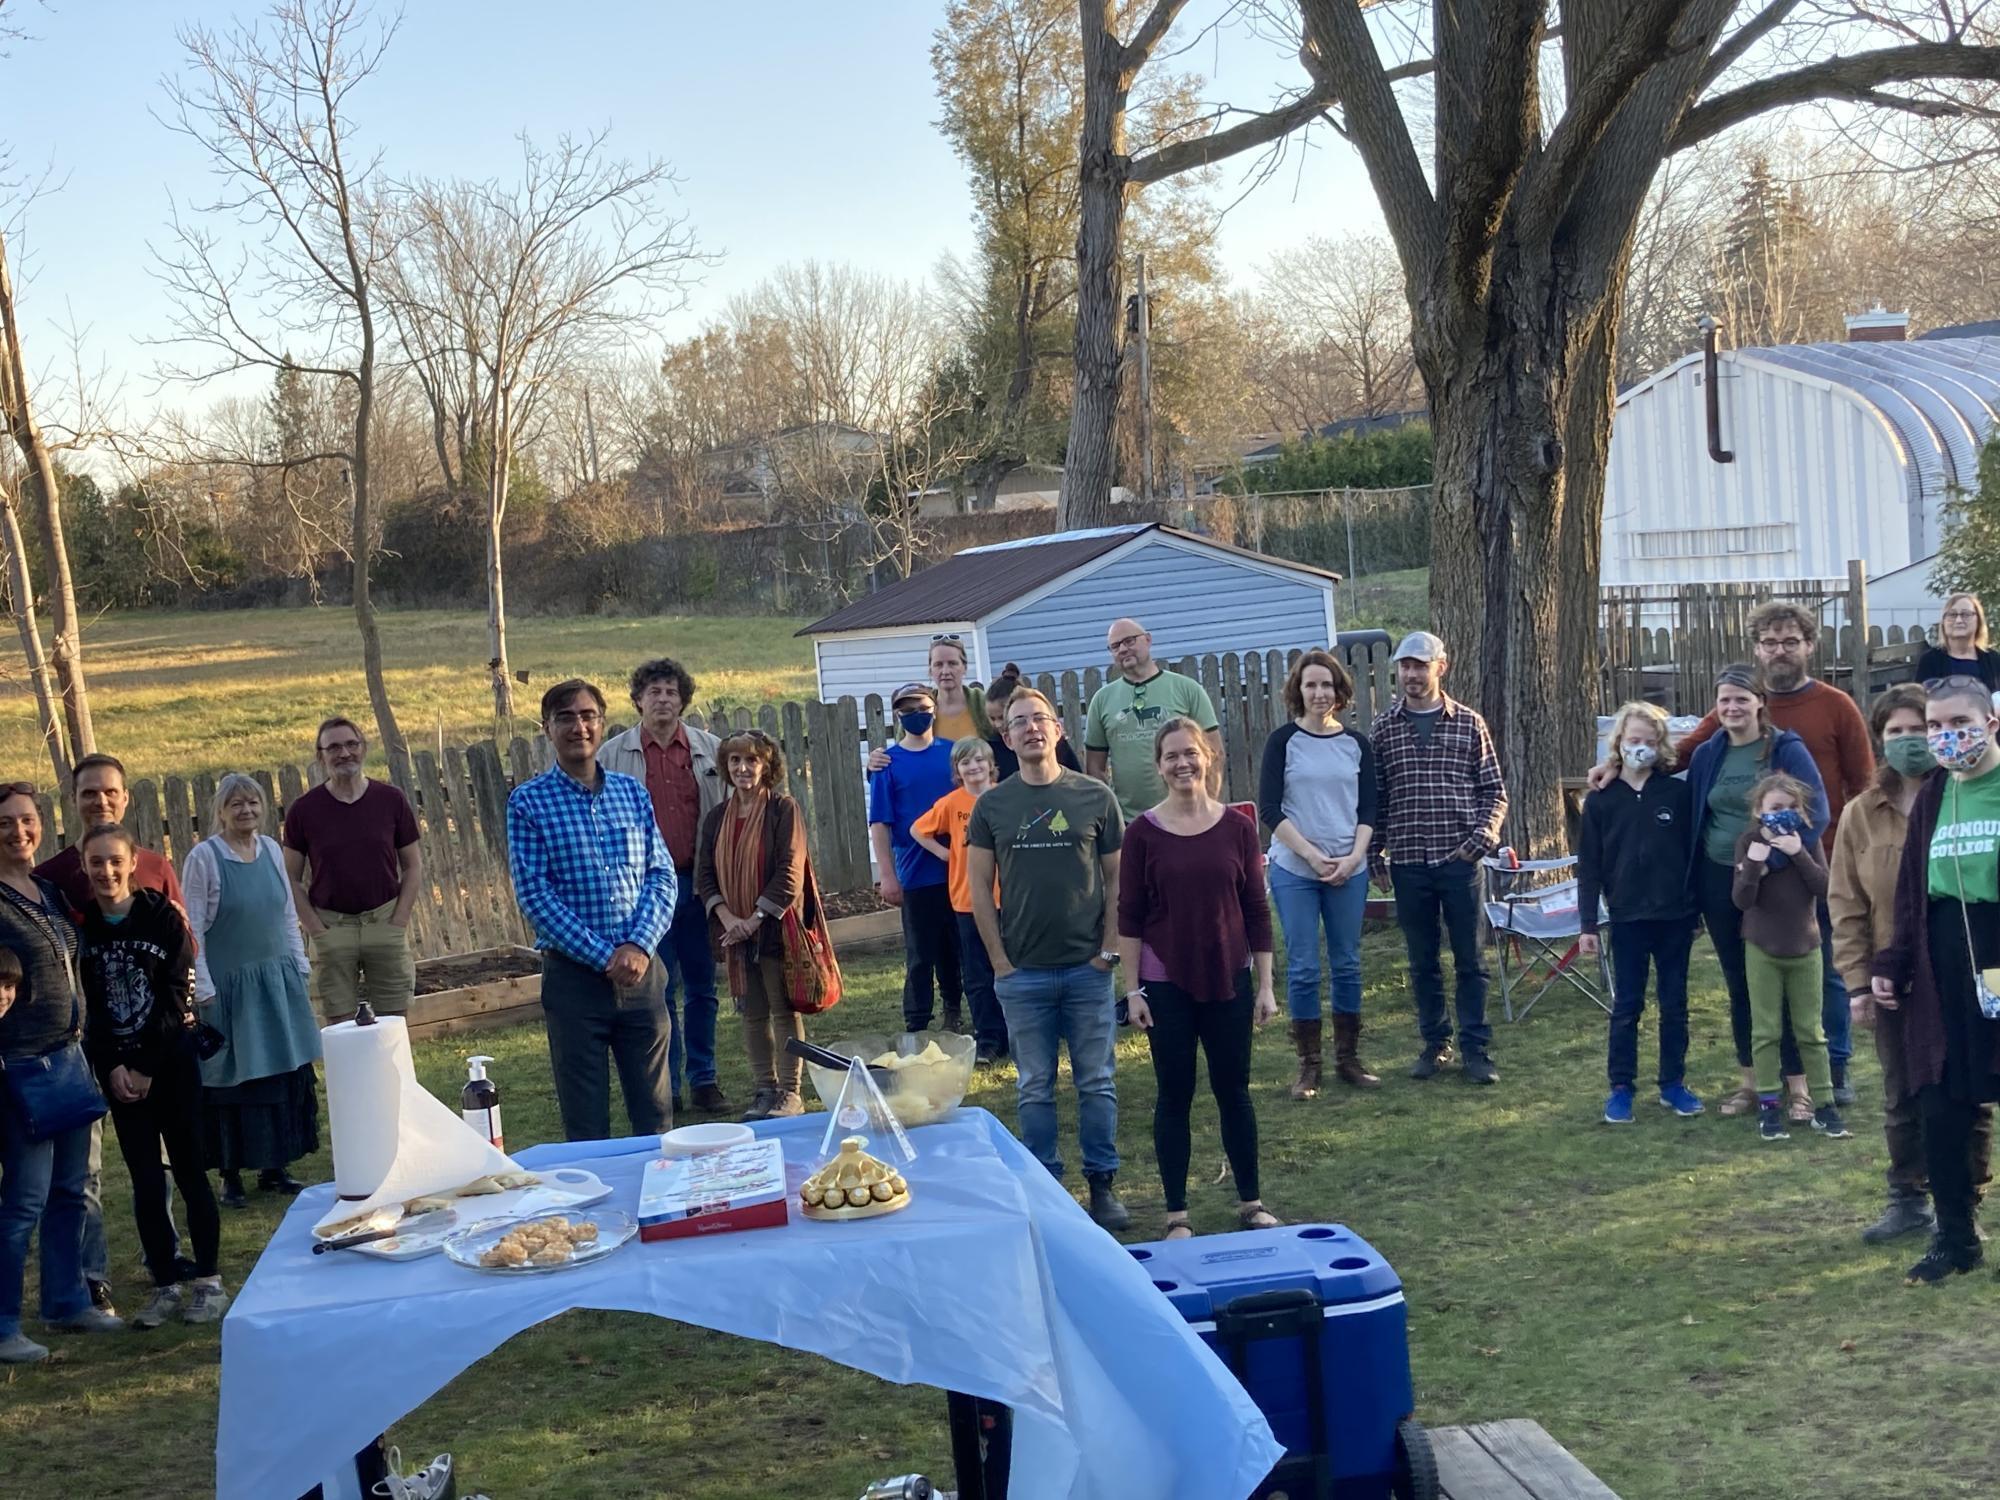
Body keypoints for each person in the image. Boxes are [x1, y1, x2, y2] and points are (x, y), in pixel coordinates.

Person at [1665, 601, 1874, 1105]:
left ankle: (1830, 1069)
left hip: (1810, 868)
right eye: (1770, 642)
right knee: (1746, 977)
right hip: (1732, 878)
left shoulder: (1830, 709)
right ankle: (1760, 1079)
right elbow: (1681, 757)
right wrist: (1619, 766)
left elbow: (1860, 784)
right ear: (1757, 650)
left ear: (1808, 646)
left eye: (1790, 641)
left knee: (1817, 972)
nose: (1779, 650)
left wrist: (1795, 856)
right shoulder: (1719, 731)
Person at [1832, 685, 1992, 1244]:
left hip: (1979, 957)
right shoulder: (1888, 808)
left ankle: (1962, 1205)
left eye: (1924, 728)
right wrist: (1870, 974)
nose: (1921, 739)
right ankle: (1930, 1214)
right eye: (1898, 731)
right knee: (1921, 1093)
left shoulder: (1973, 791)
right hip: (1914, 970)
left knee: (1971, 1088)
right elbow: (1868, 900)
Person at [967, 687, 1130, 1229]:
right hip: (1024, 974)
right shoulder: (993, 805)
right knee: (1034, 1085)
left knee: (1097, 1081)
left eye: (1041, 718)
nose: (1031, 728)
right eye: (1019, 722)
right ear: (1007, 738)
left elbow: (1117, 881)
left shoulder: (1094, 797)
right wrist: (1000, 964)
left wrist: (1108, 954)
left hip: (1088, 970)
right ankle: (1047, 1189)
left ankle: (1103, 1185)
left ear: (1058, 729)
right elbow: (978, 887)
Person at [34, 750, 184, 1317]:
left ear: (125, 798)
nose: (99, 801)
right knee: (86, 1166)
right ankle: (93, 1273)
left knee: (159, 1157)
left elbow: (180, 955)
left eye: (109, 792)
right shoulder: (51, 878)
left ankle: (163, 1257)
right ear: (73, 803)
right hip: (81, 1042)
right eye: (87, 793)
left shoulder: (154, 866)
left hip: (149, 1044)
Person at [1120, 719, 1280, 1239]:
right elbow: (1130, 915)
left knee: (1234, 1092)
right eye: (1171, 756)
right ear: (1159, 766)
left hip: (1230, 977)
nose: (1182, 763)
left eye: (1191, 753)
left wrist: (1265, 985)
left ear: (1208, 757)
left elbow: (1256, 909)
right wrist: (1131, 990)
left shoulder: (1237, 827)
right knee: (1175, 1094)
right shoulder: (1141, 833)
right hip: (1164, 982)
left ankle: (1251, 1202)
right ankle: (1176, 1215)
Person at [1870, 675, 2000, 1283]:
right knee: (1942, 1099)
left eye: (1959, 724)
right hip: (1943, 953)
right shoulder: (1936, 793)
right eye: (1936, 726)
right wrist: (1893, 960)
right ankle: (1956, 1239)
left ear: (1990, 724)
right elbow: (1909, 887)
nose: (1947, 737)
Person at [507, 679, 677, 1142]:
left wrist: (639, 946)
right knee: (586, 1125)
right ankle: (595, 1214)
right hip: (575, 981)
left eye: (587, 716)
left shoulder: (632, 793)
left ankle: (660, 1207)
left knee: (656, 1117)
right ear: (547, 728)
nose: (578, 726)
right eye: (565, 717)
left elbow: (661, 876)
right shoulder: (528, 802)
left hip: (643, 975)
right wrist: (606, 956)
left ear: (602, 724)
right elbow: (536, 895)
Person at [75, 823, 227, 1330]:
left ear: (132, 864)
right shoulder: (85, 927)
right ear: (84, 866)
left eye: (115, 860)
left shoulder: (163, 919)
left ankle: (208, 1280)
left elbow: (175, 1002)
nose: (106, 871)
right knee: (145, 1180)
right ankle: (165, 1283)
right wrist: (114, 1067)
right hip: (120, 1075)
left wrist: (143, 1066)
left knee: (189, 1172)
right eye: (96, 862)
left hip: (171, 1066)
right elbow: (91, 1008)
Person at [0, 782, 123, 1365]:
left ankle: (66, 1300)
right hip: (21, 1064)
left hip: (70, 1058)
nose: (18, 832)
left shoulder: (46, 890)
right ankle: (3, 1327)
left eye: (26, 820)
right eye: (5, 823)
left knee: (70, 1192)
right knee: (24, 1200)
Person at [1682, 665, 1829, 1122]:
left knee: (1784, 983)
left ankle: (1799, 1085)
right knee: (1740, 983)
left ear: (1760, 702)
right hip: (1719, 878)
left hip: (1776, 884)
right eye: (1724, 700)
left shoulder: (1785, 749)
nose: (1732, 708)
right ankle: (1752, 1080)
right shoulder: (1710, 752)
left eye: (1741, 699)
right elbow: (1690, 805)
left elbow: (1817, 812)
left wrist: (1774, 863)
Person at [1368, 632, 1508, 1085]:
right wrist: (1375, 854)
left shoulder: (1469, 723)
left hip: (1459, 859)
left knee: (1470, 959)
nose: (1411, 675)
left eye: (1419, 666)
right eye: (1404, 666)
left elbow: (1494, 792)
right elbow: (1377, 797)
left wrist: (1481, 840)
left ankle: (1476, 1049)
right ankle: (1435, 1044)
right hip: (1408, 860)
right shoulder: (1384, 728)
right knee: (1422, 961)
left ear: (1440, 668)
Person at [183, 774, 320, 1208]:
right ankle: (230, 1175)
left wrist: (298, 966)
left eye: (253, 803)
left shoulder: (273, 852)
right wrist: (203, 985)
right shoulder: (205, 859)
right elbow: (195, 927)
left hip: (276, 980)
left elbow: (284, 915)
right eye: (236, 804)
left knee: (279, 1069)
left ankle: (275, 1166)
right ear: (221, 811)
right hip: (231, 986)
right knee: (233, 1076)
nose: (246, 811)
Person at [601, 658, 730, 1116]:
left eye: (671, 692)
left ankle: (705, 1078)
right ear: (638, 700)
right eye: (653, 691)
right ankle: (667, 1085)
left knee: (702, 987)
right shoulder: (611, 757)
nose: (662, 700)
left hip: (699, 885)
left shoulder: (711, 751)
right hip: (644, 894)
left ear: (683, 700)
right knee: (658, 990)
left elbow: (732, 816)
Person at [1258, 648, 1378, 1097]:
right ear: (1298, 690)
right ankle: (1309, 1065)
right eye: (1310, 684)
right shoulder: (1282, 742)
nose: (1319, 692)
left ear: (1339, 690)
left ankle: (1349, 1058)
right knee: (1305, 967)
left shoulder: (1356, 744)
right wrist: (1310, 855)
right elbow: (1270, 807)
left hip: (1350, 868)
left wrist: (1352, 858)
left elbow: (1369, 808)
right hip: (1296, 869)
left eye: (1326, 684)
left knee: (1347, 964)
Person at [1576, 702, 1702, 1124]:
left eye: (1650, 742)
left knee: (1675, 1004)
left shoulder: (1677, 793)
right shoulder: (1600, 801)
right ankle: (1621, 1088)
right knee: (1627, 1006)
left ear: (1661, 744)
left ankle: (1673, 1084)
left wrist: (1695, 908)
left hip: (1675, 917)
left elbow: (1692, 854)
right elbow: (1589, 866)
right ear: (1618, 742)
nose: (1641, 748)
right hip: (1626, 917)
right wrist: (1587, 924)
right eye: (1633, 741)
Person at [695, 729, 824, 1121]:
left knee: (783, 1009)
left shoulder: (783, 809)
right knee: (752, 1013)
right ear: (725, 767)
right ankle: (763, 1091)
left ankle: (789, 1092)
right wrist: (729, 920)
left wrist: (753, 919)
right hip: (733, 933)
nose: (743, 768)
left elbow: (790, 872)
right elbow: (704, 876)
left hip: (775, 927)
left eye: (751, 760)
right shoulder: (717, 817)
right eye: (735, 761)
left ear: (767, 766)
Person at [282, 717, 422, 1022]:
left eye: (351, 744)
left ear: (364, 748)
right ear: (320, 756)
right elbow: (289, 878)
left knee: (394, 1026)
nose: (344, 753)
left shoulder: (390, 800)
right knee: (338, 1028)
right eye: (333, 747)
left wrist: (399, 921)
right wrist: (317, 930)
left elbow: (412, 866)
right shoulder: (304, 810)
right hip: (333, 928)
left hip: (385, 921)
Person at [1733, 772, 1848, 1142]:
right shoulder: (1749, 841)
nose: (1783, 813)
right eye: (1775, 808)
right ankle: (1769, 1106)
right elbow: (1742, 900)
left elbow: (1823, 887)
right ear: (1759, 810)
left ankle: (1825, 1103)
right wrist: (1753, 865)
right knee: (1766, 1030)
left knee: (1811, 1031)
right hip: (1762, 948)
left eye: (1791, 807)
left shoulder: (1806, 841)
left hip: (1806, 947)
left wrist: (1797, 853)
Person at [869, 681, 963, 1032]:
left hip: (958, 870)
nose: (917, 716)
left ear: (934, 708)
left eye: (922, 708)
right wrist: (888, 875)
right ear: (898, 716)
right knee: (920, 954)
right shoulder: (887, 764)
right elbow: (880, 822)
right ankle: (917, 1021)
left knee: (956, 950)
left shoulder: (953, 754)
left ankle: (954, 1009)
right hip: (915, 873)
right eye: (908, 711)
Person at [912, 738, 1008, 1065]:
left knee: (1014, 968)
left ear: (991, 764)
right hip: (968, 901)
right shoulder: (952, 803)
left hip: (1010, 899)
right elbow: (918, 830)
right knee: (978, 974)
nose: (974, 767)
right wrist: (945, 853)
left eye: (980, 760)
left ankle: (1018, 1033)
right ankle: (989, 1038)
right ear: (957, 770)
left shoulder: (1007, 796)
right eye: (966, 762)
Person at [1084, 618, 1224, 819]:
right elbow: (1094, 768)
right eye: (1115, 646)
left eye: (1130, 641)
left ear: (1148, 640)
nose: (1123, 649)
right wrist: (1111, 816)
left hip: (1187, 817)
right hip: (1129, 822)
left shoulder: (1187, 689)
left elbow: (1214, 753)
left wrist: (1205, 807)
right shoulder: (1102, 700)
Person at [982, 667, 1080, 781]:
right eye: (992, 718)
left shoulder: (1053, 742)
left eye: (1001, 717)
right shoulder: (990, 748)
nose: (997, 724)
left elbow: (1076, 777)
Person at [1914, 593, 2000, 692]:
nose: (1959, 620)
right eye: (1952, 615)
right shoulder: (1930, 660)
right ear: (1944, 622)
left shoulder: (1994, 660)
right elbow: (1919, 701)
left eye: (1966, 614)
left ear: (1978, 621)